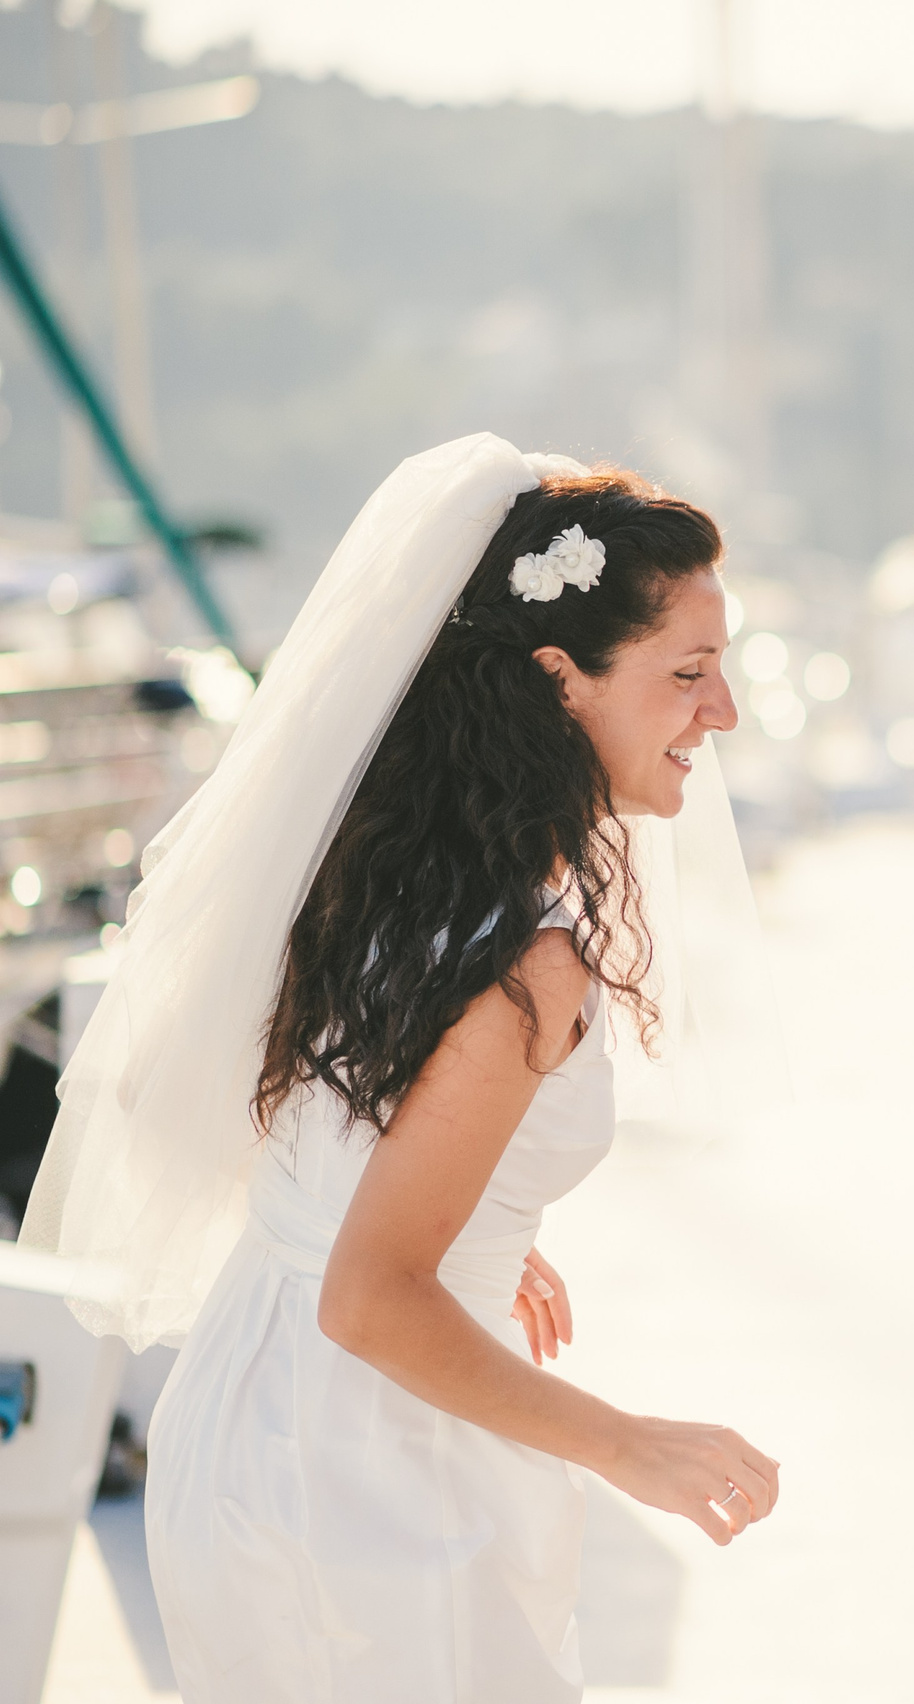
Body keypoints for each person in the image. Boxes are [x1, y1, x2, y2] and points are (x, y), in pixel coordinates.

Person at [24, 437, 781, 1703]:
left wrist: (462, 1211)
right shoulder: (527, 957)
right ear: (560, 682)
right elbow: (372, 1301)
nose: (724, 714)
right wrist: (630, 1445)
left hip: (256, 1415)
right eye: (688, 673)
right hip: (367, 1463)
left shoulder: (393, 873)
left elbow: (329, 1134)